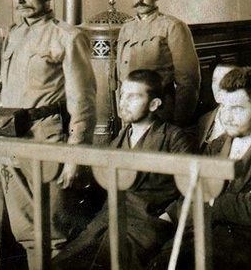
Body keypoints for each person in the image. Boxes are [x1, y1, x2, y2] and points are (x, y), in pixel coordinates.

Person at [0, 0, 97, 263]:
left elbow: (83, 102)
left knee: (56, 234)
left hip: (47, 140)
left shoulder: (67, 36)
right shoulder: (14, 35)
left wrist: (75, 156)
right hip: (11, 140)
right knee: (26, 231)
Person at [150, 67, 251, 270]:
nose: (227, 117)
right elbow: (194, 190)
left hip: (245, 243)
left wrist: (211, 201)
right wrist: (170, 214)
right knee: (160, 259)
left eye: (237, 109)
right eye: (224, 107)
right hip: (202, 231)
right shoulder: (218, 143)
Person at [52, 70, 196, 269]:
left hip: (147, 223)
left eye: (133, 96)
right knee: (64, 262)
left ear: (154, 104)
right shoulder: (119, 140)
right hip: (109, 219)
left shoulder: (173, 137)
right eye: (122, 95)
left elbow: (194, 189)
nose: (123, 102)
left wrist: (169, 215)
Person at [117, 0, 200, 127]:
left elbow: (188, 81)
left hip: (159, 114)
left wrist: (178, 123)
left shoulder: (172, 27)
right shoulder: (126, 29)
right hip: (129, 114)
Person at [192, 62, 237, 150]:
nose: (217, 87)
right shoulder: (204, 120)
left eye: (225, 80)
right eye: (215, 80)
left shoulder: (246, 121)